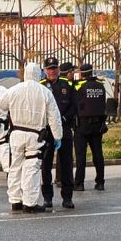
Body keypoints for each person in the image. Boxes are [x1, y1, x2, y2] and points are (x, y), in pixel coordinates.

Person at [0, 62, 63, 214]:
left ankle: (15, 200)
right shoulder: (45, 92)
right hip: (35, 135)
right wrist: (58, 136)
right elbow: (54, 117)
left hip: (16, 134)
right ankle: (30, 202)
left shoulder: (14, 90)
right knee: (32, 168)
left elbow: (2, 104)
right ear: (39, 74)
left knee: (15, 167)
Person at [39, 58, 77, 209]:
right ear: (44, 70)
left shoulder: (67, 85)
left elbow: (74, 105)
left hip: (64, 128)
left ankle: (67, 197)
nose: (52, 71)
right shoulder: (40, 86)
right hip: (47, 130)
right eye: (49, 68)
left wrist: (65, 118)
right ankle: (47, 197)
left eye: (54, 68)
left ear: (59, 69)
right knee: (46, 164)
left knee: (66, 164)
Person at [73, 63, 107, 192]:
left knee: (81, 155)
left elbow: (75, 103)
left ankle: (79, 183)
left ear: (81, 73)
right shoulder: (100, 86)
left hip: (82, 125)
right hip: (98, 125)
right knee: (98, 154)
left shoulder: (79, 86)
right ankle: (100, 182)